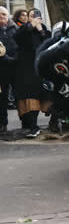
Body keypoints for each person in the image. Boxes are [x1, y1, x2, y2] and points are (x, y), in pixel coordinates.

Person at [13, 8, 50, 138]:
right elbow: (17, 38)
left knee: (43, 98)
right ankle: (32, 127)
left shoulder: (44, 30)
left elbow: (49, 42)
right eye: (31, 15)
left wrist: (40, 29)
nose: (35, 17)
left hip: (41, 70)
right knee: (29, 98)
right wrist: (30, 26)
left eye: (37, 15)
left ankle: (40, 126)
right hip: (26, 70)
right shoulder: (24, 29)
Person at [0, 7, 17, 133]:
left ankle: (28, 124)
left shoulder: (15, 29)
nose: (2, 16)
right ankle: (2, 123)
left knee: (21, 96)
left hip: (16, 67)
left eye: (4, 14)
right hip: (1, 69)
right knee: (2, 97)